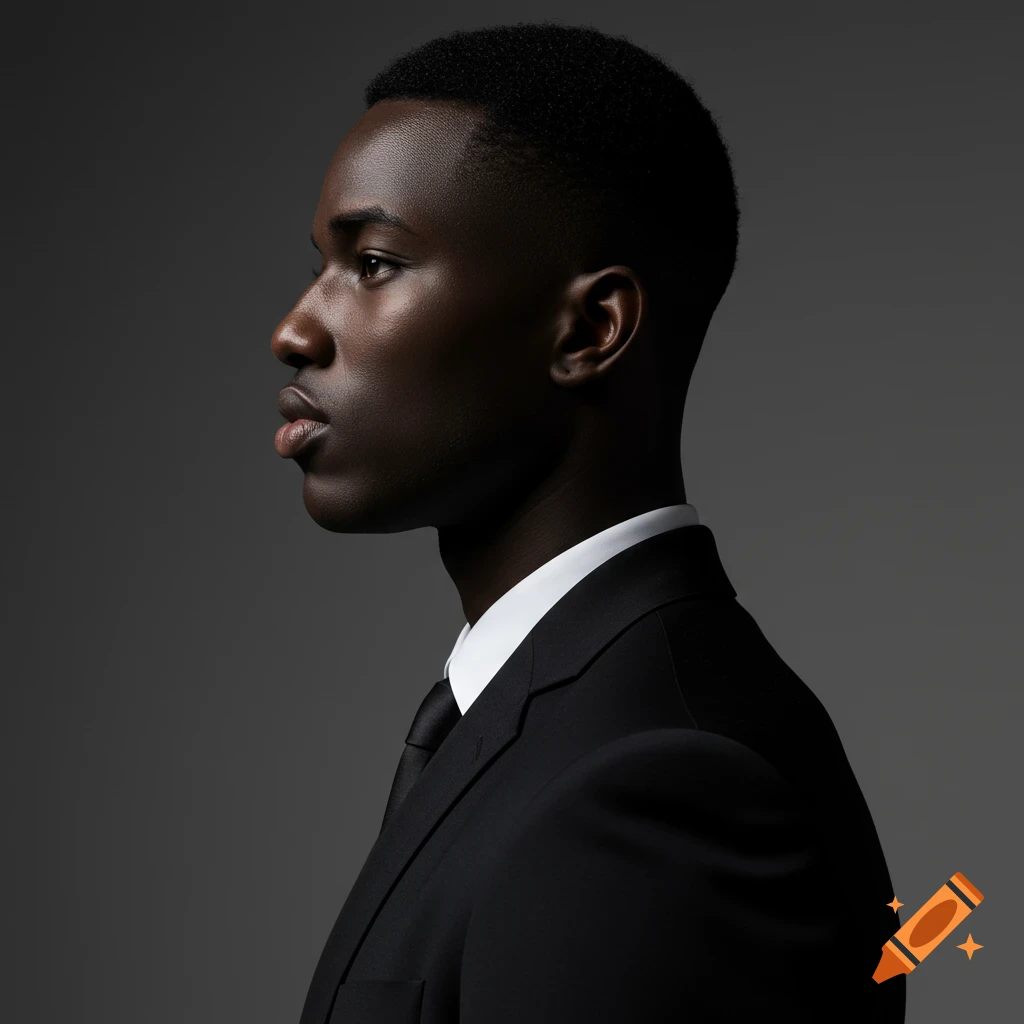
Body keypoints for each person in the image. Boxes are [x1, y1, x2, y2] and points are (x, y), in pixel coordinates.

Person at [270, 21, 905, 1024]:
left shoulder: (655, 790)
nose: (295, 328)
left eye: (376, 262)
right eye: (320, 264)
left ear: (589, 330)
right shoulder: (564, 723)